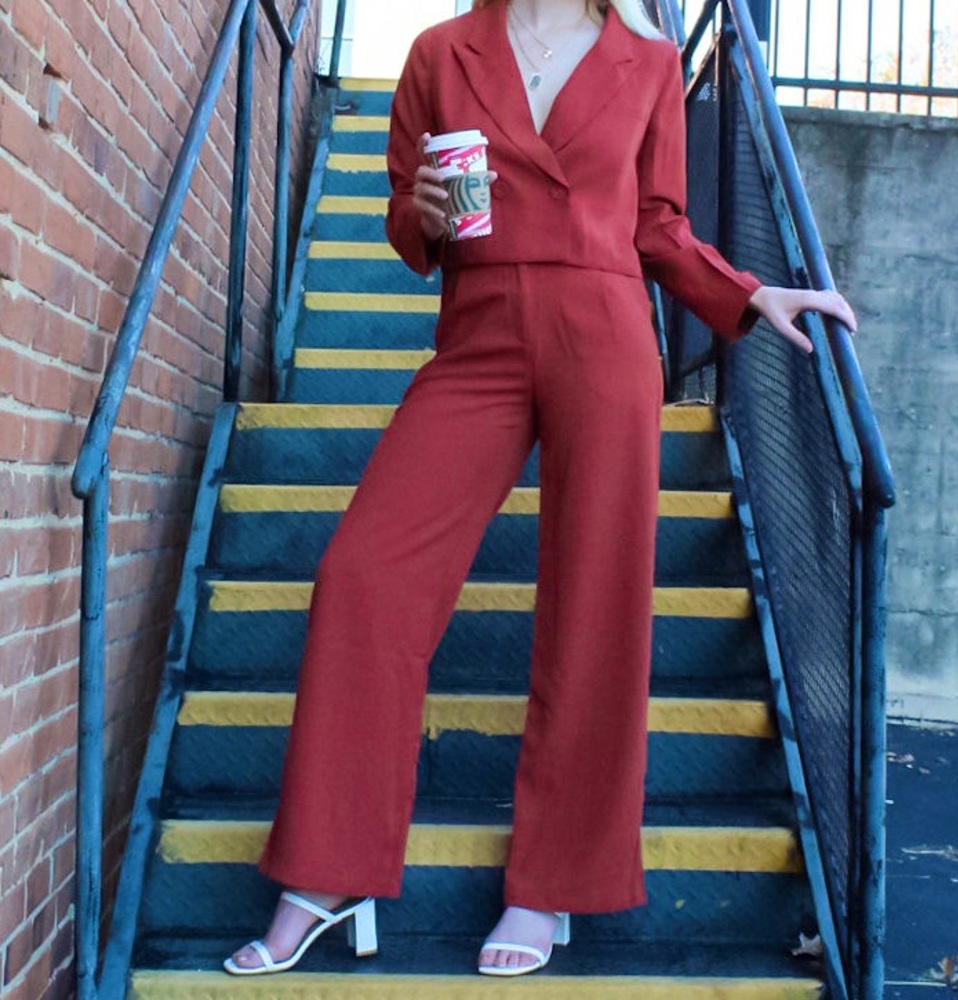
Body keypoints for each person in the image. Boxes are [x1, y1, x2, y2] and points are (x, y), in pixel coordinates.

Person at [224, 0, 856, 979]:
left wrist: (743, 292)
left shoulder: (647, 62)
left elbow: (656, 222)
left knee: (593, 612)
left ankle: (549, 881)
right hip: (476, 334)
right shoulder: (440, 53)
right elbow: (408, 215)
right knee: (364, 576)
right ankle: (327, 869)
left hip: (603, 333)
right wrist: (422, 215)